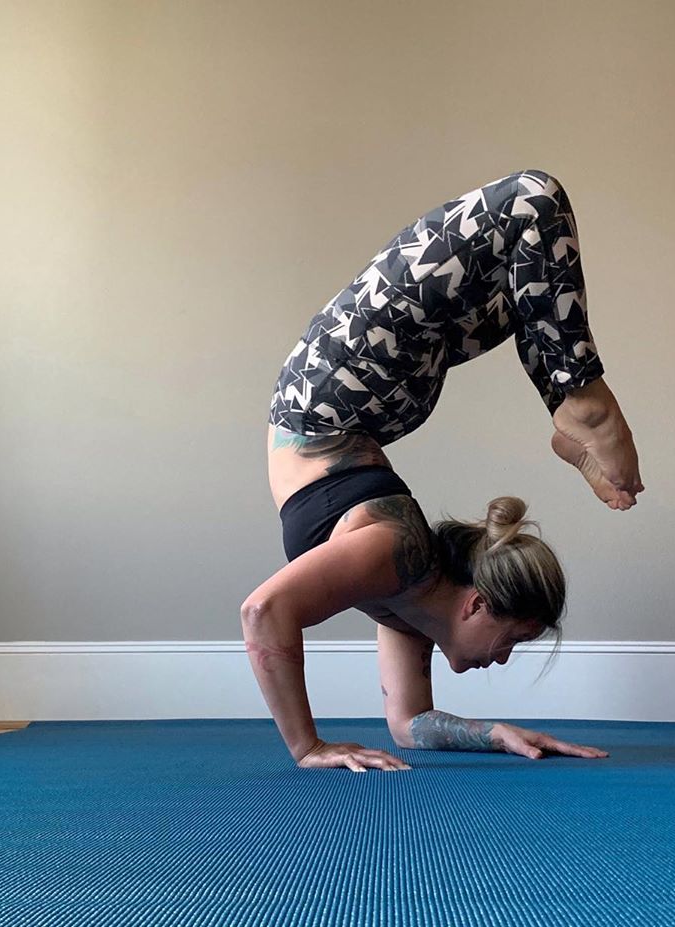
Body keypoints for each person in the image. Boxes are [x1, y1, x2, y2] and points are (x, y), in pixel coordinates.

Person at [242, 169, 643, 772]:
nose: (502, 661)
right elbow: (263, 612)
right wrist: (308, 747)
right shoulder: (399, 553)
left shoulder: (405, 604)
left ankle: (569, 399)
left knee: (520, 285)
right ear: (478, 604)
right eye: (513, 641)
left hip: (372, 397)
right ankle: (577, 395)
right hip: (333, 388)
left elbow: (409, 726)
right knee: (532, 200)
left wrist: (496, 732)